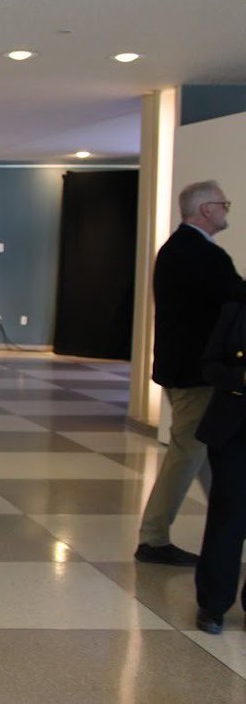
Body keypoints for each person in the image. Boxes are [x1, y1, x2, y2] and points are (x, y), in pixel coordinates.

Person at [137, 180, 244, 565]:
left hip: (181, 369)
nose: (226, 209)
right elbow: (238, 295)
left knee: (207, 452)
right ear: (205, 209)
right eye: (223, 204)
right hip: (195, 375)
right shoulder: (202, 255)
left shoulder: (177, 249)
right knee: (187, 452)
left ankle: (232, 524)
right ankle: (153, 537)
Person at [193, 299, 246, 634]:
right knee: (228, 517)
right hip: (234, 431)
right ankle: (213, 604)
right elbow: (209, 366)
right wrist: (241, 376)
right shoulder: (236, 308)